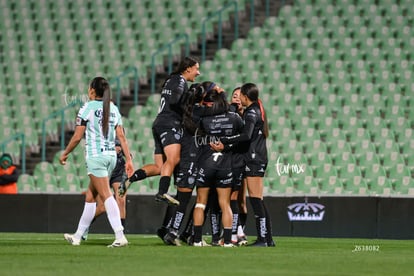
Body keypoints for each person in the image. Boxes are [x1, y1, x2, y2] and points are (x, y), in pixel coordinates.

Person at [59, 76, 134, 247]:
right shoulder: (113, 108)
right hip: (111, 158)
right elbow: (122, 137)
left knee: (107, 196)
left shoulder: (87, 108)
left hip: (96, 158)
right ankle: (77, 236)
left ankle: (120, 235)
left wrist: (65, 153)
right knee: (90, 196)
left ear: (92, 90)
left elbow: (78, 136)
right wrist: (129, 160)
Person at [119, 56, 201, 206]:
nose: (198, 72)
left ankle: (130, 180)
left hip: (159, 123)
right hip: (170, 123)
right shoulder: (180, 81)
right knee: (174, 159)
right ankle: (162, 192)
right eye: (196, 69)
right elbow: (176, 101)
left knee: (159, 167)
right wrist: (191, 97)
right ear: (188, 68)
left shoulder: (172, 79)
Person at [212, 83, 275, 247]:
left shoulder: (251, 112)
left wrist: (225, 141)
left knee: (255, 200)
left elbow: (246, 135)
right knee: (258, 200)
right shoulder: (257, 109)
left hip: (253, 159)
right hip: (258, 158)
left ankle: (263, 239)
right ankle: (268, 238)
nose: (238, 98)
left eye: (240, 95)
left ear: (246, 97)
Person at [192, 83, 244, 247]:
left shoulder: (204, 119)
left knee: (201, 202)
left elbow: (197, 141)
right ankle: (228, 241)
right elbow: (244, 138)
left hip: (206, 164)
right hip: (224, 164)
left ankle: (197, 240)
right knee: (225, 203)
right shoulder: (234, 118)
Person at [82, 138, 129, 240]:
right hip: (102, 167)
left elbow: (123, 142)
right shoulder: (94, 128)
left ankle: (121, 236)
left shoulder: (117, 125)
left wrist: (127, 156)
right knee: (102, 207)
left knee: (121, 200)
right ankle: (85, 226)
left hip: (119, 168)